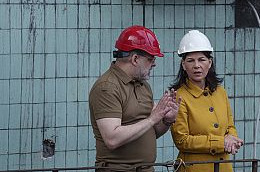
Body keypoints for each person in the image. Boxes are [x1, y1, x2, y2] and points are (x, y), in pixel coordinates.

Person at [89, 25, 180, 172]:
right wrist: (151, 119)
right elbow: (112, 139)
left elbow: (151, 132)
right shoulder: (107, 87)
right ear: (135, 59)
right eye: (150, 59)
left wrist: (166, 120)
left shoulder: (143, 86)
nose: (154, 64)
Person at [170, 30, 244, 172]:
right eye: (190, 60)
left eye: (202, 60)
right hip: (194, 168)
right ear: (184, 65)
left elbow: (230, 126)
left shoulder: (220, 92)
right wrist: (221, 142)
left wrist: (231, 138)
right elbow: (182, 141)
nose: (197, 65)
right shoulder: (179, 96)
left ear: (209, 63)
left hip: (223, 167)